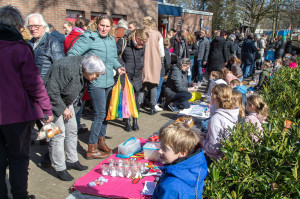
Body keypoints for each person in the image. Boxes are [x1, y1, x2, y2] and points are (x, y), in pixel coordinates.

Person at [0, 5, 53, 199]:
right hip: (16, 115)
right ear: (16, 26)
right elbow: (34, 83)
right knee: (19, 159)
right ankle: (20, 196)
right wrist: (47, 109)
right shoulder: (19, 48)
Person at [68, 14, 126, 159]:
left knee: (105, 114)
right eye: (102, 25)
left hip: (109, 82)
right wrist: (85, 70)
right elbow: (72, 54)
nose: (104, 29)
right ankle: (91, 148)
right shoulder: (90, 38)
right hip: (95, 82)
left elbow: (113, 58)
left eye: (107, 26)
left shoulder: (111, 40)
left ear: (111, 27)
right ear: (97, 24)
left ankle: (101, 141)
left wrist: (119, 67)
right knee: (99, 114)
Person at [43, 54, 106, 181]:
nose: (97, 77)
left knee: (72, 130)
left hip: (66, 101)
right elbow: (51, 91)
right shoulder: (66, 67)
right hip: (50, 103)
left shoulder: (84, 69)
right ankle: (60, 168)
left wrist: (69, 107)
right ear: (87, 70)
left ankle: (72, 160)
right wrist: (63, 109)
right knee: (58, 135)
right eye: (96, 74)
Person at [152, 122, 207, 199]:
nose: (160, 151)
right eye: (161, 146)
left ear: (182, 153)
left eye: (164, 148)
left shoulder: (170, 187)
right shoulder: (195, 164)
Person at [116, 29, 149, 132]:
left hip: (137, 75)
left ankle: (135, 120)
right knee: (126, 99)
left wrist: (141, 65)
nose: (143, 44)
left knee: (136, 100)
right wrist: (122, 65)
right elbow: (115, 55)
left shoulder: (142, 46)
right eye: (142, 42)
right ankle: (126, 121)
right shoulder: (123, 42)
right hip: (126, 74)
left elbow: (142, 56)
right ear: (137, 38)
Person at [199, 84, 239, 163]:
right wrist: (206, 135)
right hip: (228, 156)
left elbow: (214, 149)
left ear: (214, 97)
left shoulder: (216, 119)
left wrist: (202, 140)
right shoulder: (231, 112)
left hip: (216, 160)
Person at [64, 17, 90, 134]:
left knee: (73, 100)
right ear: (84, 26)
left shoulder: (68, 36)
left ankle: (74, 124)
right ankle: (76, 125)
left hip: (68, 71)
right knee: (78, 101)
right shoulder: (82, 38)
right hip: (79, 73)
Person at [26, 13, 65, 79]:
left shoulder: (53, 43)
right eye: (30, 26)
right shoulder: (29, 44)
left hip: (46, 86)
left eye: (36, 26)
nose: (33, 29)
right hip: (31, 85)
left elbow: (61, 68)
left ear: (43, 26)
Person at [141, 16, 164, 115]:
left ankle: (138, 105)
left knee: (141, 85)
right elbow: (162, 52)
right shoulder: (158, 34)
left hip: (143, 61)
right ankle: (152, 107)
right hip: (155, 62)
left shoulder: (141, 33)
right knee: (154, 85)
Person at [156, 37, 171, 111]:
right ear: (169, 44)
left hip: (156, 70)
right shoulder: (167, 52)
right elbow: (168, 63)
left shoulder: (158, 50)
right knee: (159, 88)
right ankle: (156, 102)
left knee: (155, 87)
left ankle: (153, 102)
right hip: (162, 71)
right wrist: (167, 72)